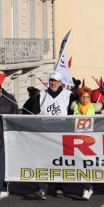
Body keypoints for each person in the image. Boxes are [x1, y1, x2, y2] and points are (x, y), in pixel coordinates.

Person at [34, 71, 73, 200]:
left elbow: (74, 113)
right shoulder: (42, 95)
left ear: (60, 82)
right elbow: (30, 110)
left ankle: (59, 187)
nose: (53, 83)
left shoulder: (68, 95)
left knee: (60, 161)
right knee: (43, 160)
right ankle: (42, 188)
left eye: (55, 80)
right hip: (45, 133)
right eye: (51, 80)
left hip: (62, 133)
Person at [70, 85, 101, 200]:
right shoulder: (74, 107)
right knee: (80, 164)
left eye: (87, 97)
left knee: (88, 164)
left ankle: (87, 188)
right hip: (76, 140)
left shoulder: (95, 108)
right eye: (83, 97)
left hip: (91, 141)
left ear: (90, 98)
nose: (84, 99)